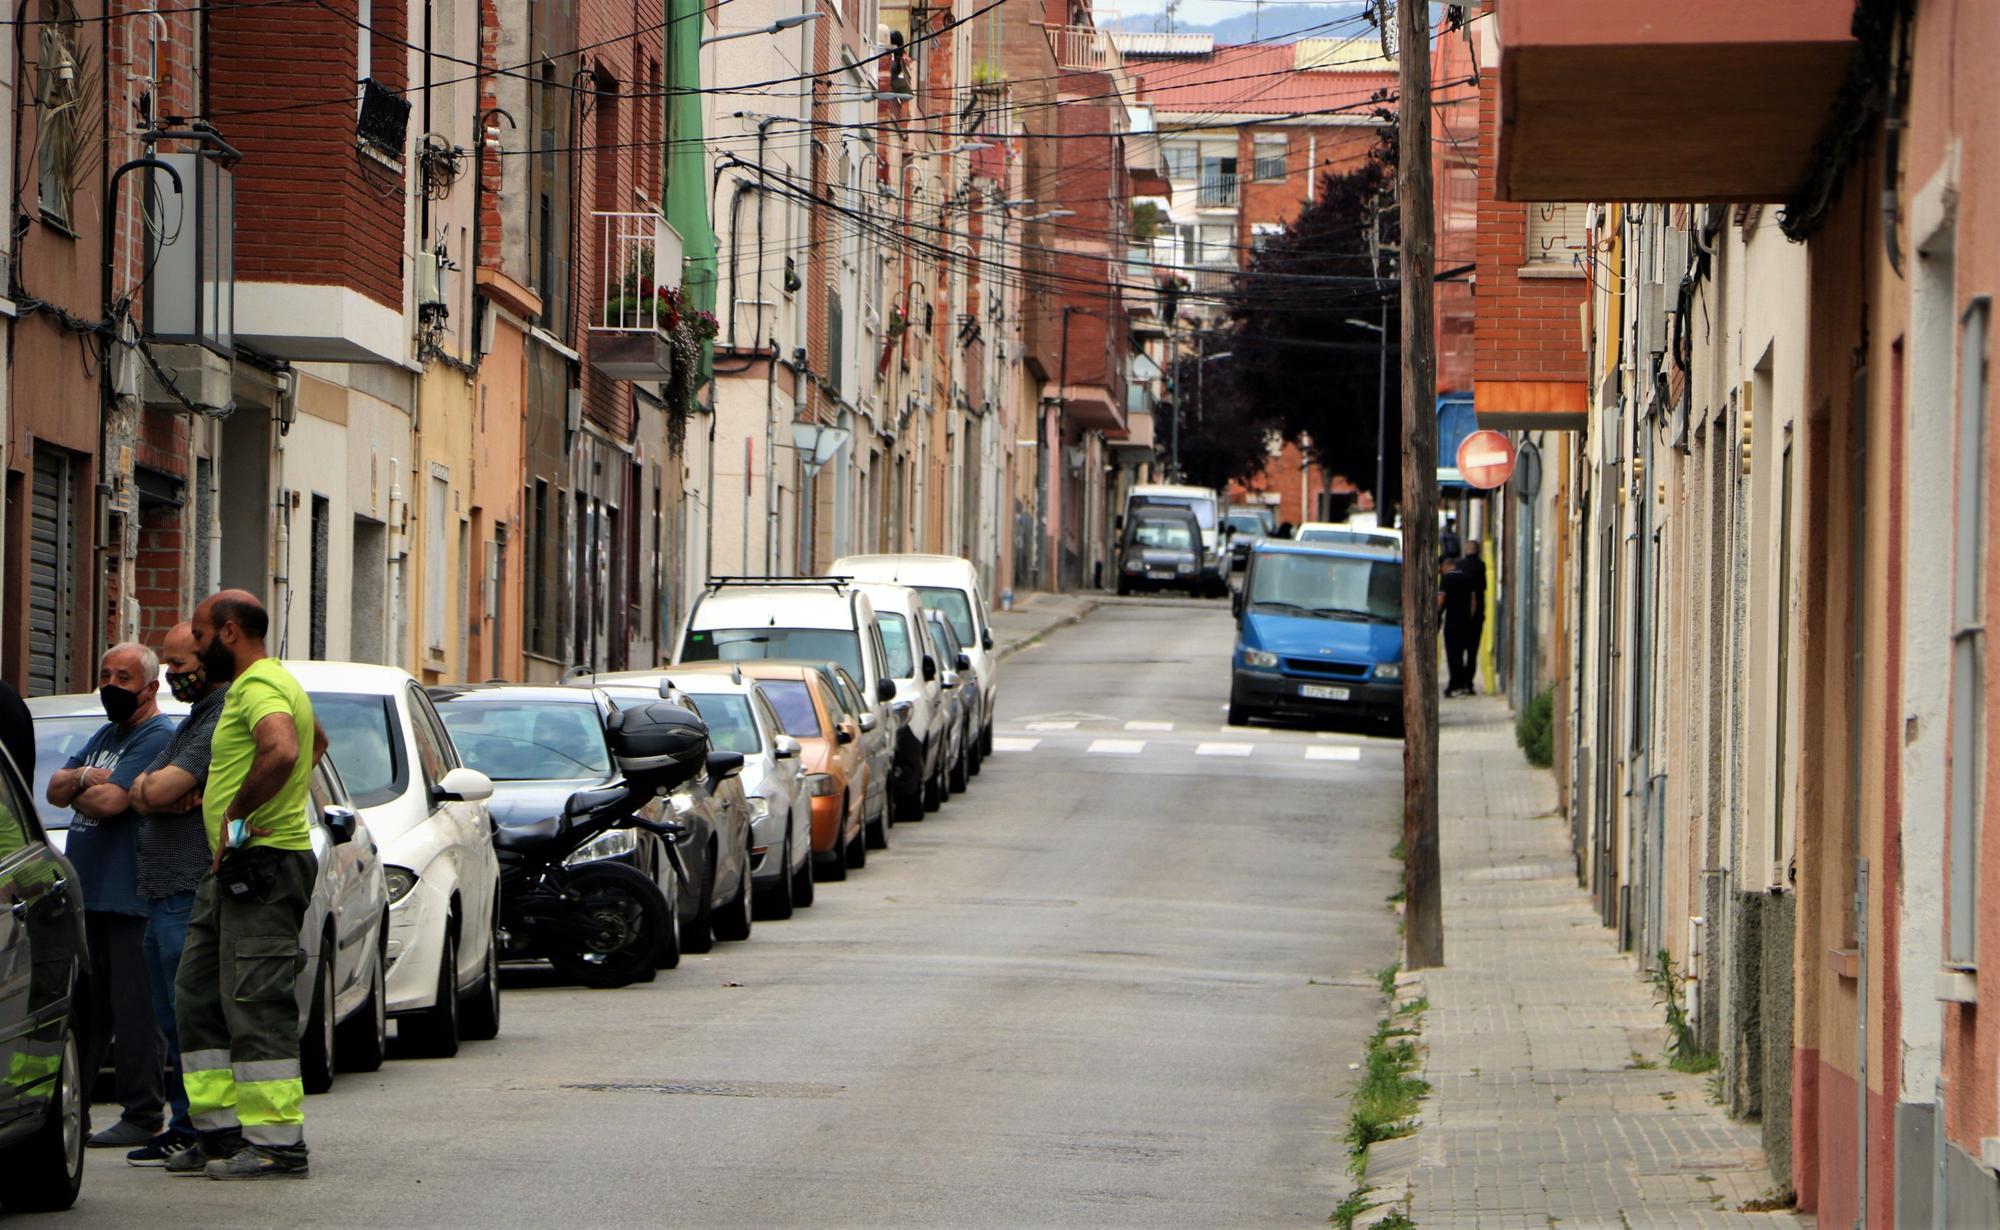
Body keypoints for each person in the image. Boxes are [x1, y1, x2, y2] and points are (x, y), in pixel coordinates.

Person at [167, 591, 326, 1180]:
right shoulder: (271, 683)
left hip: (260, 865)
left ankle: (277, 1145)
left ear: (229, 633)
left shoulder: (260, 687)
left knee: (254, 1001)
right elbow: (317, 746)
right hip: (233, 869)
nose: (196, 648)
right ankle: (220, 1135)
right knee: (198, 994)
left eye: (201, 636)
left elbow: (285, 749)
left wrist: (237, 814)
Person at [44, 643, 176, 1149]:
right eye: (104, 675)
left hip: (130, 897)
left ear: (149, 687)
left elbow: (112, 801)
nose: (111, 686)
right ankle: (70, 1107)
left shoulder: (157, 736)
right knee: (89, 1011)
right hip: (89, 896)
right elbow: (54, 789)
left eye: (124, 677)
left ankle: (143, 1114)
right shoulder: (105, 734)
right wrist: (81, 779)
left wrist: (80, 786)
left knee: (135, 1010)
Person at [124, 623, 233, 1165]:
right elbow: (141, 788)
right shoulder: (192, 719)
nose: (172, 676)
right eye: (166, 666)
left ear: (210, 658)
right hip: (161, 888)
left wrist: (158, 788)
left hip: (187, 887)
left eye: (180, 665)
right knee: (171, 1014)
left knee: (187, 1013)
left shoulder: (219, 716)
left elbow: (157, 787)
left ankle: (196, 1126)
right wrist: (154, 789)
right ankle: (187, 1121)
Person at [1438, 555, 1480, 697]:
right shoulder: (1469, 578)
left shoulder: (1446, 579)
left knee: (1453, 655)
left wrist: (1437, 613)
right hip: (1467, 623)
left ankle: (1455, 684)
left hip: (1452, 622)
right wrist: (1469, 617)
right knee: (1465, 654)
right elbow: (1474, 602)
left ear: (1445, 565)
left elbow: (1440, 601)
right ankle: (1465, 684)